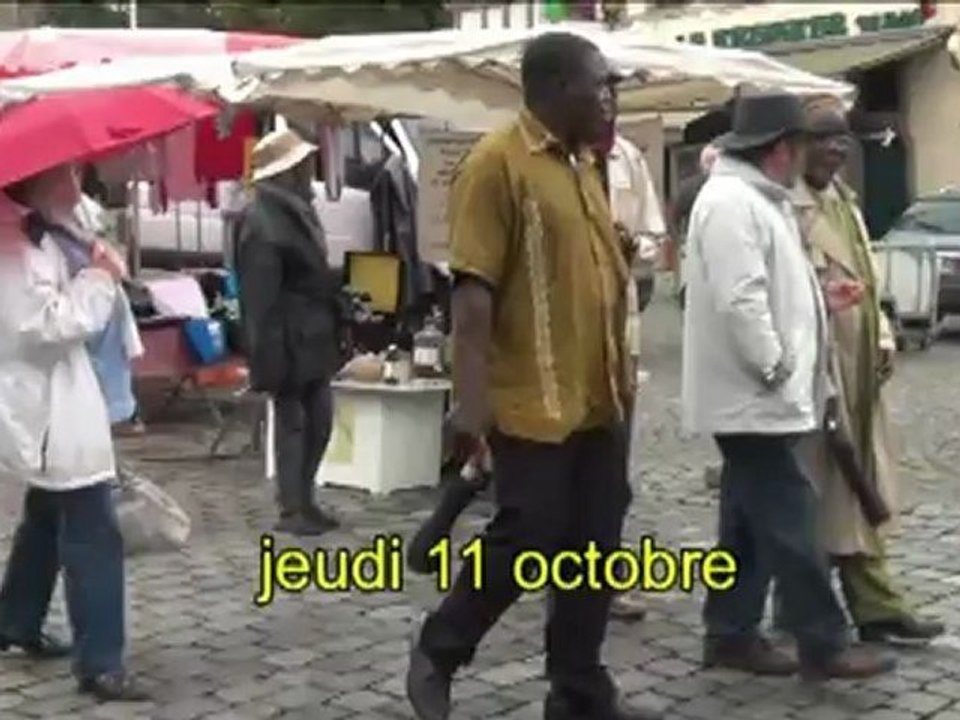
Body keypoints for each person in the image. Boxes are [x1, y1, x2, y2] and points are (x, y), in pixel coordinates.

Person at [406, 32, 660, 720]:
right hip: (531, 399)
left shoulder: (581, 166)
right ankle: (439, 649)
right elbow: (472, 292)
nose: (611, 99)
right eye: (600, 85)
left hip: (598, 396)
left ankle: (577, 690)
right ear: (555, 89)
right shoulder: (497, 164)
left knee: (595, 547)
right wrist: (470, 401)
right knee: (527, 536)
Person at [682, 91, 896, 679]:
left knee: (747, 522)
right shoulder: (732, 203)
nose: (812, 153)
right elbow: (741, 299)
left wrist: (817, 303)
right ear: (782, 148)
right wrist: (776, 367)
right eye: (804, 142)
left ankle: (730, 631)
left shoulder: (759, 199)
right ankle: (823, 643)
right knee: (792, 516)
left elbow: (769, 288)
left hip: (761, 396)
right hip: (753, 397)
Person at [771, 96, 944, 644]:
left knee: (847, 493)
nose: (835, 148)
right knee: (832, 497)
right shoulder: (783, 209)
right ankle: (863, 606)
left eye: (842, 137)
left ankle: (812, 605)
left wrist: (886, 336)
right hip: (817, 376)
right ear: (796, 146)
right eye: (822, 137)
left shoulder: (845, 201)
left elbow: (868, 283)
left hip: (860, 371)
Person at [0, 166, 147, 702]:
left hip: (63, 400)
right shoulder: (11, 246)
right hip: (48, 405)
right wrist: (99, 279)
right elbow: (41, 324)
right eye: (62, 171)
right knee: (93, 530)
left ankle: (15, 619)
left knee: (46, 515)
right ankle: (101, 663)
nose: (72, 179)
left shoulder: (47, 226)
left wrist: (96, 257)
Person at [235, 129, 342, 537]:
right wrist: (263, 356)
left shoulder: (296, 211)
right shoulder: (263, 220)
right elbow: (259, 299)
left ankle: (305, 498)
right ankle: (292, 506)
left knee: (320, 420)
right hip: (287, 338)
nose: (308, 174)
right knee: (295, 423)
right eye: (301, 167)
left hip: (312, 333)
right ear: (286, 172)